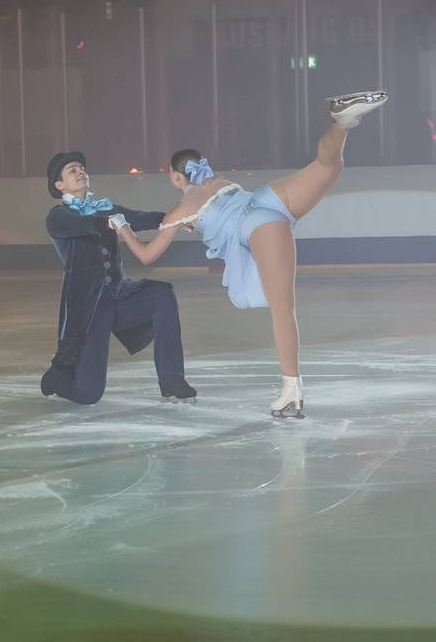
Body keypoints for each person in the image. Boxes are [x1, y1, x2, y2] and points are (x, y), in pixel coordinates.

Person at [111, 90, 388, 418]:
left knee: (283, 308)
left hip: (257, 224)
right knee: (329, 165)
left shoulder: (179, 211)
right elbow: (214, 207)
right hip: (269, 198)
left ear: (174, 176)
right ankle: (342, 121)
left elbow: (146, 256)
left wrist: (123, 228)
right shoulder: (216, 180)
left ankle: (291, 391)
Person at [42, 151, 197, 406]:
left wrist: (175, 220)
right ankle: (58, 380)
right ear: (60, 185)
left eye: (81, 167)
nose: (81, 171)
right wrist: (112, 221)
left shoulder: (106, 208)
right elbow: (86, 225)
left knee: (162, 295)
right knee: (89, 394)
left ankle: (172, 380)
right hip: (90, 310)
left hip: (119, 297)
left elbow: (140, 217)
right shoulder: (58, 217)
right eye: (72, 170)